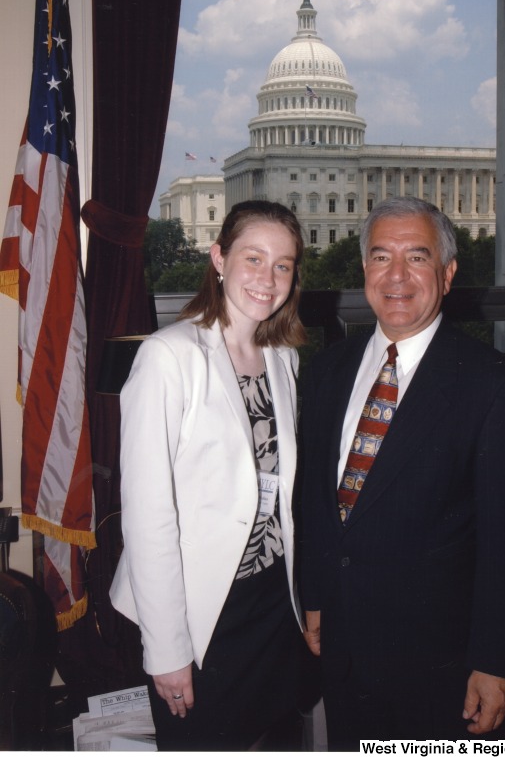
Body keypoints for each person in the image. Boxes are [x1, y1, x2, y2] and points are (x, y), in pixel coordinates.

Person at [298, 196, 505, 748]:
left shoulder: (494, 385)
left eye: (418, 256)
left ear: (448, 273)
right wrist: (314, 594)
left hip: (440, 665)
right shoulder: (329, 369)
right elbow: (318, 497)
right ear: (364, 270)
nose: (397, 276)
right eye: (381, 257)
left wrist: (497, 662)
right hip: (342, 646)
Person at [110, 200, 307, 750]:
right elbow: (148, 520)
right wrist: (168, 651)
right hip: (200, 613)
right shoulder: (168, 357)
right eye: (253, 258)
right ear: (219, 258)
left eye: (284, 265)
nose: (268, 280)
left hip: (270, 602)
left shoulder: (282, 357)